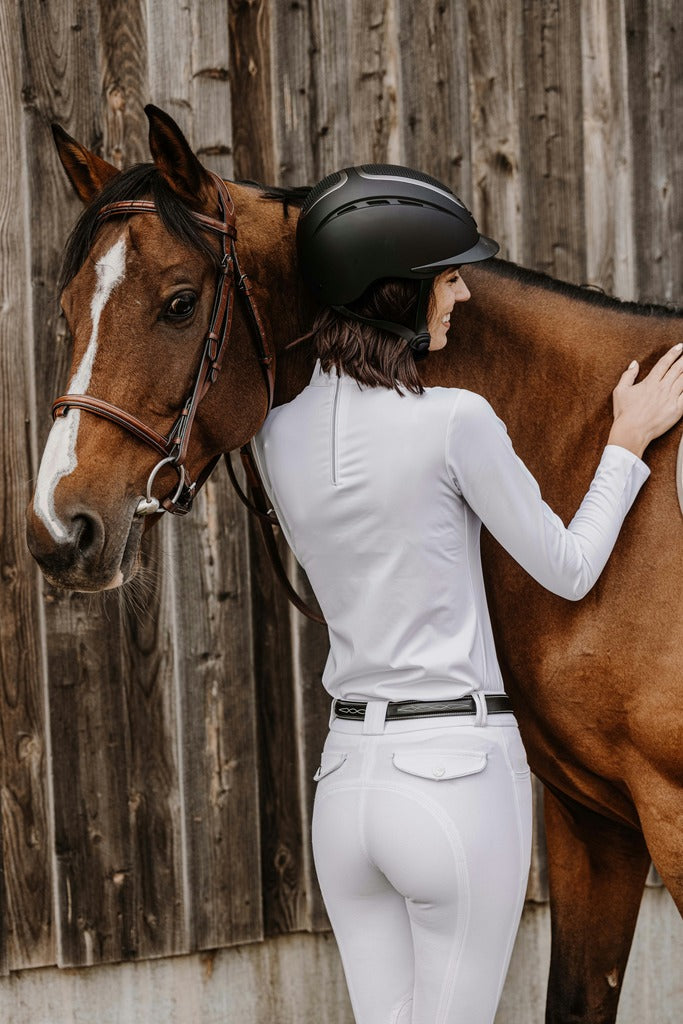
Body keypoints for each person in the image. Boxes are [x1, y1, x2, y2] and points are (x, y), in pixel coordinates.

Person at [251, 164, 683, 1024]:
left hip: (344, 792)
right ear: (395, 294)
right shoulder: (455, 421)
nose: (461, 294)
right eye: (446, 276)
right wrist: (626, 443)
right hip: (450, 778)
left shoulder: (275, 434)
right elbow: (565, 567)